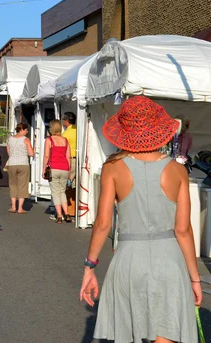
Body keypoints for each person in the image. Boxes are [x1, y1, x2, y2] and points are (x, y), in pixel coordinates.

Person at [80, 96, 202, 343]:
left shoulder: (112, 167)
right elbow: (183, 230)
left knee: (129, 332)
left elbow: (103, 223)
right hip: (169, 260)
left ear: (124, 131)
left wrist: (89, 266)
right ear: (158, 129)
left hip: (129, 260)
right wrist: (194, 277)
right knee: (167, 333)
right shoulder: (177, 170)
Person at [42, 120, 71, 224]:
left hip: (54, 167)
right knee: (62, 191)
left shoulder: (49, 140)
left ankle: (59, 215)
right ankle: (66, 213)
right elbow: (68, 157)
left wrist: (43, 169)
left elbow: (46, 156)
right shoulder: (65, 140)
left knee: (55, 192)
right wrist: (69, 170)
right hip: (64, 168)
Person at [6, 123, 34, 213]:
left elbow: (9, 152)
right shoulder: (26, 140)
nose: (27, 131)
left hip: (12, 164)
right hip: (23, 164)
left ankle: (13, 206)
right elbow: (31, 153)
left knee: (13, 184)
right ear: (21, 130)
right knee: (23, 185)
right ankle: (20, 208)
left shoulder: (10, 139)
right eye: (26, 130)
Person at [62, 112, 77, 221]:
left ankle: (68, 210)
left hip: (70, 159)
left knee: (68, 185)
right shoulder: (78, 130)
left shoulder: (66, 134)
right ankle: (75, 209)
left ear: (66, 121)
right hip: (78, 159)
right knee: (76, 185)